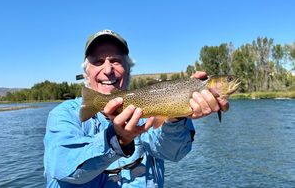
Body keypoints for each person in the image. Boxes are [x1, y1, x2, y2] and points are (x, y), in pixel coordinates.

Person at [43, 29, 229, 187]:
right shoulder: (64, 115)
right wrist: (117, 140)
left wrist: (176, 116)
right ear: (86, 73)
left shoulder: (144, 111)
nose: (108, 69)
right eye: (98, 61)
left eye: (115, 60)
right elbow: (61, 168)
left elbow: (173, 153)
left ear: (128, 69)